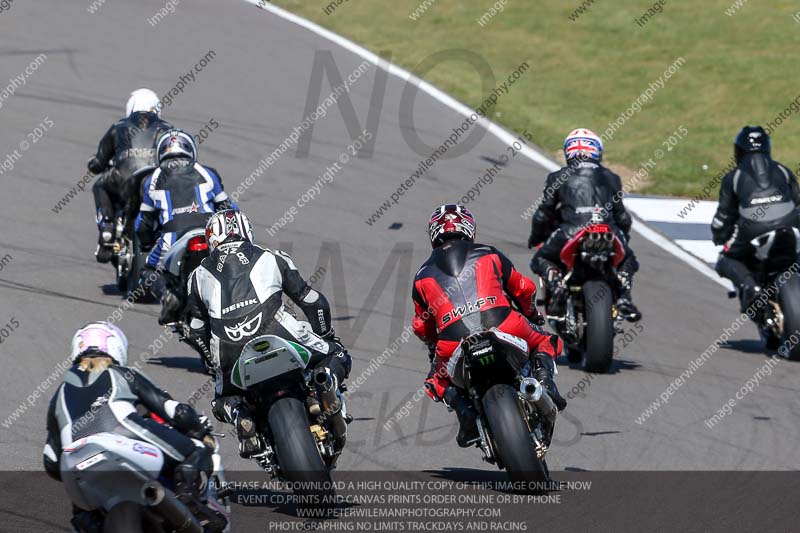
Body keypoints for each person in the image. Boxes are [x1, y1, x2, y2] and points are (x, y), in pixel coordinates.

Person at [185, 210, 352, 457]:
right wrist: (326, 336)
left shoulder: (196, 277)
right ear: (247, 231)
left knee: (221, 401)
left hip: (229, 350)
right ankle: (324, 380)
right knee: (338, 354)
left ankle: (240, 415)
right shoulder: (273, 256)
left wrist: (214, 363)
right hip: (281, 331)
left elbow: (196, 330)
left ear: (211, 239)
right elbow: (314, 302)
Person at [412, 204, 565, 448]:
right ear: (469, 228)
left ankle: (466, 413)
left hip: (454, 340)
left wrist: (433, 344)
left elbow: (421, 326)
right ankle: (546, 382)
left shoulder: (421, 275)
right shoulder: (488, 252)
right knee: (546, 340)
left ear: (433, 234)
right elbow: (524, 288)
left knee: (435, 380)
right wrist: (532, 314)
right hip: (504, 324)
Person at [43, 322, 215, 529]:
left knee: (81, 511)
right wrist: (199, 430)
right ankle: (192, 507)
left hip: (76, 455)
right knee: (195, 451)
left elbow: (51, 461)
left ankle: (89, 522)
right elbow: (176, 412)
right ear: (116, 347)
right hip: (123, 432)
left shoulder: (59, 394)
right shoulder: (122, 372)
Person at [528, 128, 641, 321]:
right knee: (629, 259)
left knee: (540, 258)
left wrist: (536, 237)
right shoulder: (612, 177)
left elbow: (543, 214)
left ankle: (556, 285)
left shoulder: (557, 177)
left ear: (569, 152)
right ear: (597, 152)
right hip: (608, 231)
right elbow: (623, 218)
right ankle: (624, 297)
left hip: (571, 231)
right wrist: (624, 237)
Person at [135, 128, 235, 324]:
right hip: (210, 233)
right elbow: (229, 209)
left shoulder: (151, 180)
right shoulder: (207, 173)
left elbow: (143, 223)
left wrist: (145, 243)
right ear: (191, 149)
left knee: (147, 272)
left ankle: (168, 296)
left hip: (172, 238)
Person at [712, 125, 800, 315]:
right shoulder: (784, 170)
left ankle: (751, 288)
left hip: (752, 228)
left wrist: (718, 234)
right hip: (791, 222)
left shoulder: (733, 176)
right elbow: (797, 201)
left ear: (738, 151)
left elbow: (724, 216)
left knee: (724, 259)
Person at [90, 88, 172, 264]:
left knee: (99, 185)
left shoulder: (118, 127)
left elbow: (98, 163)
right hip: (158, 179)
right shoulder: (168, 129)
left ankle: (107, 226)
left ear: (131, 107)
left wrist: (94, 164)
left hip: (123, 178)